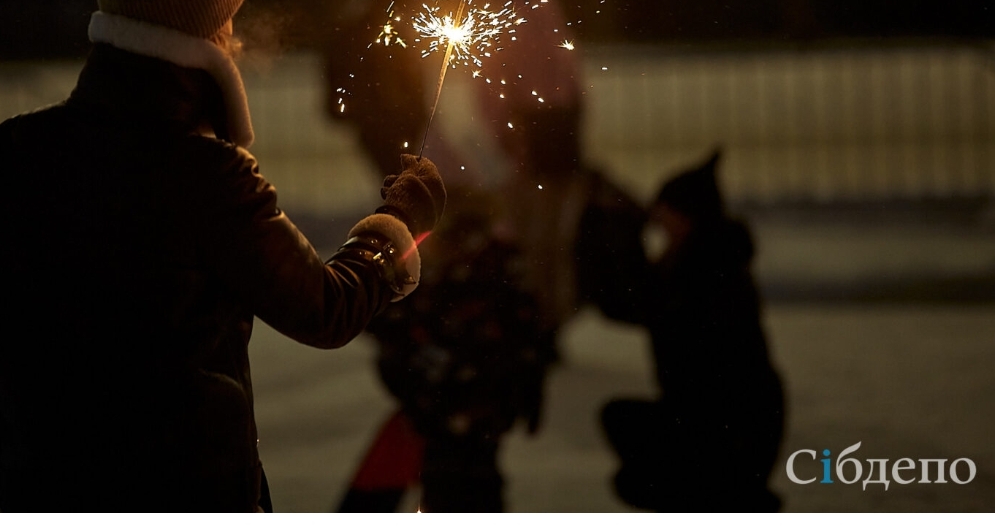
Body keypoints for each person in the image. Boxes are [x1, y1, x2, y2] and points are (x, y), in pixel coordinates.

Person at [0, 0, 446, 513]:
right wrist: (396, 225)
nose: (235, 36)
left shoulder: (15, 152)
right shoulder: (207, 174)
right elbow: (325, 308)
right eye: (227, 18)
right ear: (200, 28)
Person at [336, 186, 553, 512]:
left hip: (457, 400)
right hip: (459, 401)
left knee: (455, 479)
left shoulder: (442, 265)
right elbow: (530, 333)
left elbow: (383, 319)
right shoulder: (492, 262)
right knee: (461, 479)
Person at [591, 150, 785, 512]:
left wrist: (619, 235)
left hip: (727, 424)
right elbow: (628, 304)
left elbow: (638, 304)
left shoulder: (703, 268)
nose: (658, 223)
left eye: (664, 213)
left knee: (631, 446)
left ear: (685, 216)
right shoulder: (710, 259)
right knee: (627, 439)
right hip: (735, 418)